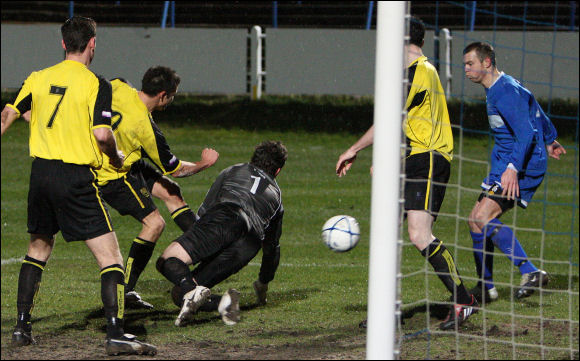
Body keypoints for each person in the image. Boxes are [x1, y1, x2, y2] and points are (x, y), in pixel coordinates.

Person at [0, 17, 156, 355]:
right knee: (110, 256)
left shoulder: (38, 78)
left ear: (62, 44)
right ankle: (115, 333)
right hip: (74, 178)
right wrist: (115, 156)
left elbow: (8, 115)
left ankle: (22, 327)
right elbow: (102, 134)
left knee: (38, 248)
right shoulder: (96, 84)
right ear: (92, 44)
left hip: (39, 175)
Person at [336, 17, 478, 331]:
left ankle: (464, 300)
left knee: (418, 234)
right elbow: (409, 122)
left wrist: (354, 149)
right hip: (413, 157)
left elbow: (390, 119)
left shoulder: (420, 71)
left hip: (428, 158)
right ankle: (386, 310)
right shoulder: (409, 72)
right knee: (387, 234)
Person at [96, 66, 219, 309]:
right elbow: (176, 168)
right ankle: (125, 291)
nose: (171, 101)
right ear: (163, 95)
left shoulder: (118, 84)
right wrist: (204, 163)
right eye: (172, 96)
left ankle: (204, 247)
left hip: (125, 162)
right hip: (111, 175)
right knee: (154, 224)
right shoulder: (146, 128)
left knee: (171, 192)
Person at [462, 42, 566, 302]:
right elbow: (533, 107)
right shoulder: (502, 86)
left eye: (470, 64)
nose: (465, 69)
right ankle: (486, 286)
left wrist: (513, 169)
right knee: (474, 220)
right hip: (507, 161)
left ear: (486, 63)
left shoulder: (504, 91)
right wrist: (550, 137)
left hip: (521, 164)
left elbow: (525, 132)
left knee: (484, 217)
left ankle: (530, 271)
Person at [155, 140, 287, 326]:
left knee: (167, 260)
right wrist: (263, 283)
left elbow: (204, 213)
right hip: (250, 244)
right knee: (181, 294)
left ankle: (194, 291)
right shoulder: (277, 198)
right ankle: (224, 304)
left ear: (253, 159)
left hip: (228, 218)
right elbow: (272, 249)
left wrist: (200, 246)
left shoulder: (234, 170)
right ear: (278, 171)